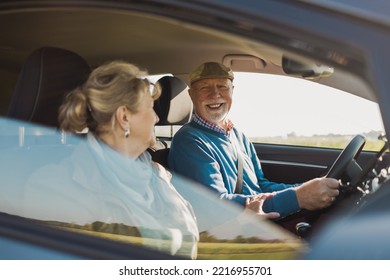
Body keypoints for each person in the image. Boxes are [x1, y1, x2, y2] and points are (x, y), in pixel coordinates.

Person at [22, 60, 199, 259]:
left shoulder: (157, 175)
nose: (157, 118)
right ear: (124, 117)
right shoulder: (55, 187)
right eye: (151, 108)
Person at [168, 62, 340, 219]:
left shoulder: (237, 135)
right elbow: (216, 204)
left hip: (257, 221)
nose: (215, 94)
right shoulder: (189, 140)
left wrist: (305, 189)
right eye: (205, 88)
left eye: (222, 86)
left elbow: (260, 187)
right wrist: (298, 198)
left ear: (232, 91)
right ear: (191, 95)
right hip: (231, 230)